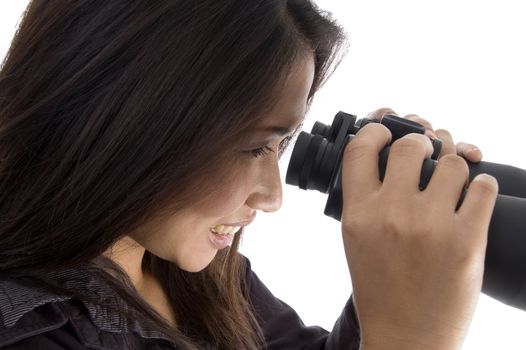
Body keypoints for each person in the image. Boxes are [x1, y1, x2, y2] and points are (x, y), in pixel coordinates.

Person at [0, 1, 497, 349]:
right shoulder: (31, 331)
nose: (272, 196)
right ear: (129, 123)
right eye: (256, 145)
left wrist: (413, 264)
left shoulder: (195, 275)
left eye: (282, 145)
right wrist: (412, 339)